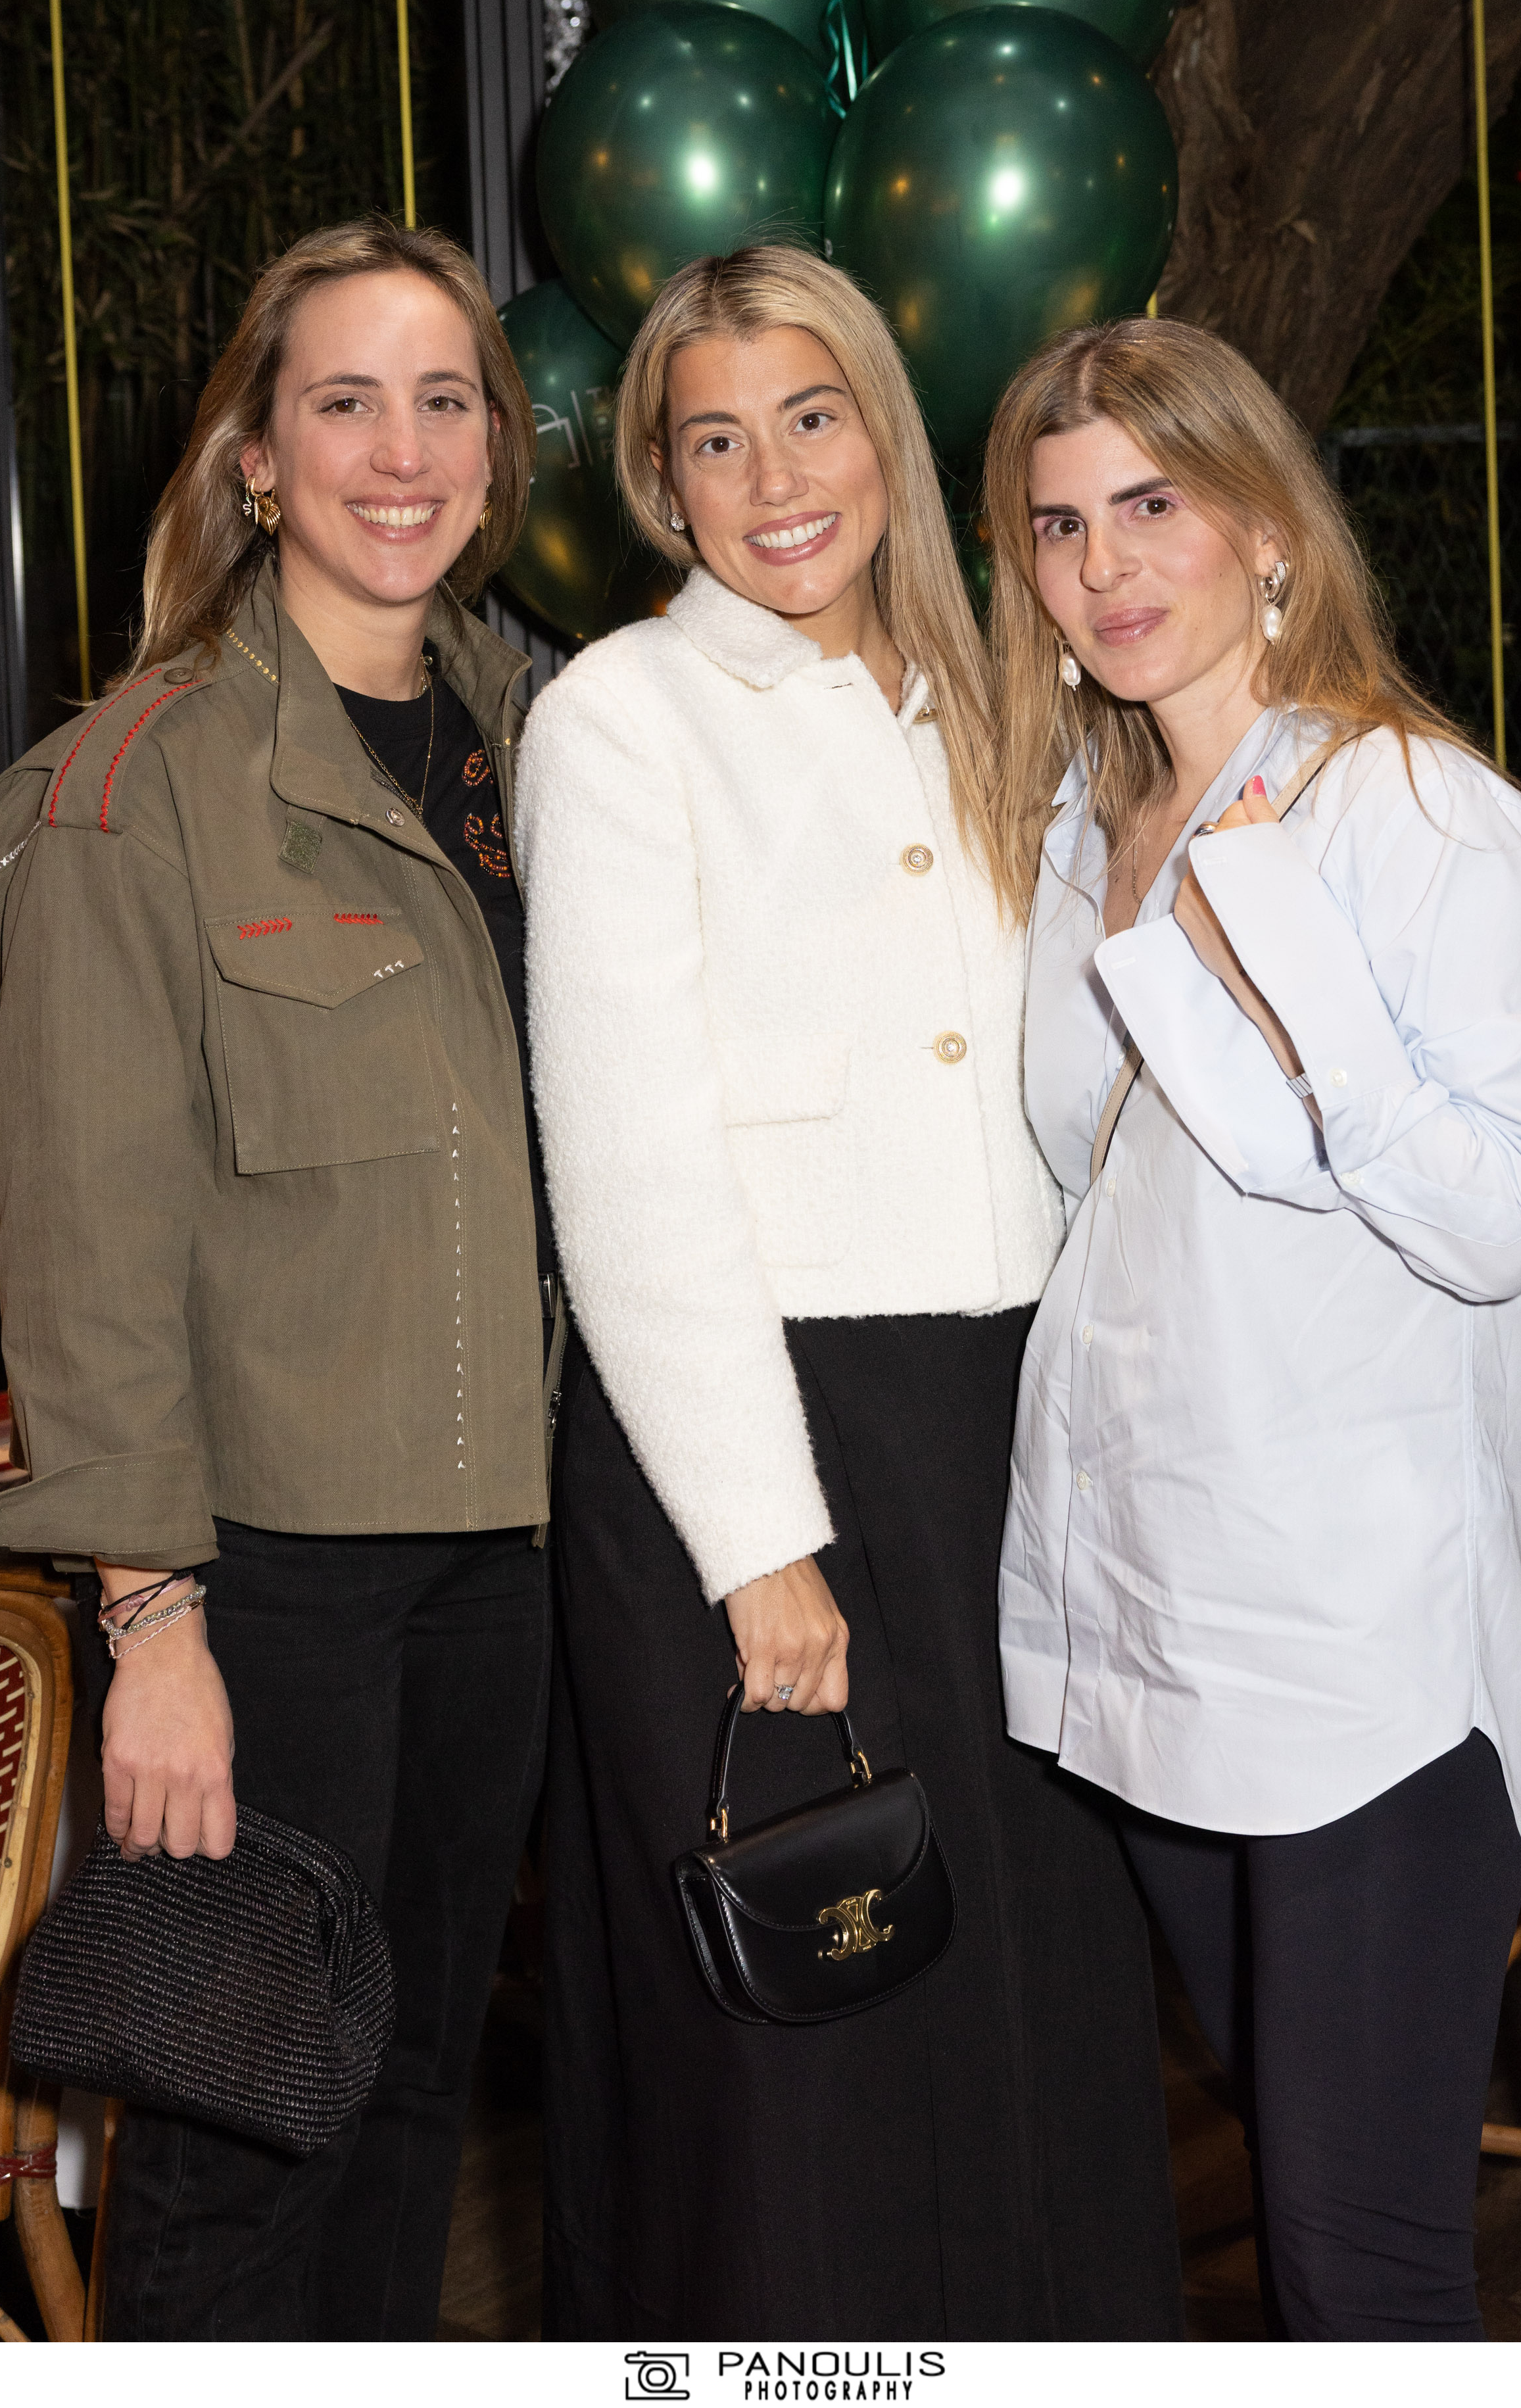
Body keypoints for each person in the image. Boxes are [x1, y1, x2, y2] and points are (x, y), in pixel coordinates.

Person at [512, 243, 1182, 2340]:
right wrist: (757, 1546)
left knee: (1039, 1998)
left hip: (1003, 1439)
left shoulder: (991, 700)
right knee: (808, 2043)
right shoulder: (620, 719)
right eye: (715, 441)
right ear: (662, 481)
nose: (774, 478)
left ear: (883, 430)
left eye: (811, 417)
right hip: (757, 1451)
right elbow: (629, 1167)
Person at [0, 216, 558, 2340]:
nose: (404, 451)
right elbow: (88, 1249)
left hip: (502, 1548)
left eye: (446, 400)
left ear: (499, 450)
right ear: (258, 461)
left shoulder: (538, 741)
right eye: (346, 402)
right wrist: (156, 1627)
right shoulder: (135, 791)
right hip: (270, 1576)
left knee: (413, 2090)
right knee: (237, 2133)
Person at [986, 316, 1521, 2342]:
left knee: (1361, 2270)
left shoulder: (1411, 810)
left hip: (1359, 1646)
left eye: (1152, 503)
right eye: (1060, 525)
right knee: (1300, 2186)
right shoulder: (1083, 828)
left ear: (1268, 525)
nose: (1106, 564)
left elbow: (1504, 1223)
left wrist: (1304, 1012)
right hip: (1148, 1623)